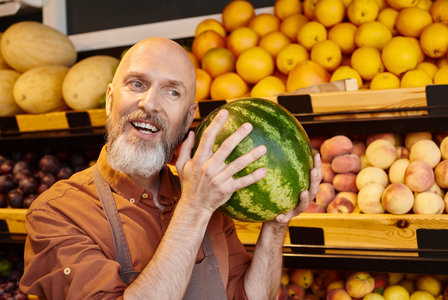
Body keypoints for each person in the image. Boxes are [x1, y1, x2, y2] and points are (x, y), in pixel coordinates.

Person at [19, 37, 321, 299]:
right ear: (110, 100)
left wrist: (276, 222)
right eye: (137, 84)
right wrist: (194, 209)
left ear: (189, 118)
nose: (150, 103)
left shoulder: (210, 198)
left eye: (172, 92)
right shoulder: (56, 214)